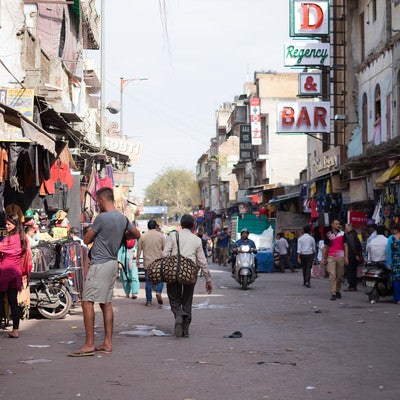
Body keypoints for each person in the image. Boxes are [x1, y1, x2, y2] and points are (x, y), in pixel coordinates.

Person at [69, 187, 140, 356]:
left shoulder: (102, 218)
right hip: (112, 263)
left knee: (87, 301)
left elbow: (86, 240)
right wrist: (122, 237)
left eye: (97, 202)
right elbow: (136, 234)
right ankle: (107, 343)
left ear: (101, 200)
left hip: (100, 264)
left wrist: (92, 233)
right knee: (106, 303)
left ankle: (89, 344)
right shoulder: (122, 219)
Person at [162, 214, 212, 337]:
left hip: (174, 271)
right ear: (193, 226)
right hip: (190, 273)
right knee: (187, 300)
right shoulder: (197, 240)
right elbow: (202, 261)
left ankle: (178, 314)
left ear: (181, 225)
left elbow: (164, 254)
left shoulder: (173, 236)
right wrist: (208, 279)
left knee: (174, 298)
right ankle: (185, 329)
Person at [0, 212, 32, 338]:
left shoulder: (9, 238)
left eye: (8, 224)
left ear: (14, 224)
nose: (6, 226)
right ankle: (15, 330)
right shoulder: (22, 237)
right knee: (13, 301)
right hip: (16, 273)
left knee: (1, 299)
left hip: (5, 272)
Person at [136, 219, 166, 306]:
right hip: (159, 263)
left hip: (148, 263)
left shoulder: (143, 236)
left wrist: (137, 260)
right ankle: (158, 292)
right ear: (156, 226)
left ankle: (149, 301)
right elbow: (165, 249)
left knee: (148, 282)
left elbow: (139, 250)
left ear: (148, 227)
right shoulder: (161, 236)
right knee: (160, 280)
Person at [321, 219, 348, 301]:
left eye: (338, 224)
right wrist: (323, 258)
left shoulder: (343, 234)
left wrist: (346, 257)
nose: (337, 225)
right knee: (332, 274)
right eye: (336, 224)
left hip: (340, 257)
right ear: (332, 225)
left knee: (340, 276)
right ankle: (333, 293)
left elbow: (346, 246)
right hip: (331, 257)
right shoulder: (328, 234)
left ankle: (337, 290)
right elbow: (325, 247)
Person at [344, 223, 363, 291]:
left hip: (351, 256)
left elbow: (352, 246)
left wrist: (356, 254)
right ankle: (353, 286)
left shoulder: (350, 235)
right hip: (353, 255)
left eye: (346, 228)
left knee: (350, 271)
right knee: (353, 271)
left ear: (349, 228)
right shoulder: (354, 234)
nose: (345, 230)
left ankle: (352, 286)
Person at [386, 224, 400, 304]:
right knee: (397, 281)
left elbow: (388, 252)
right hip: (395, 263)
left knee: (396, 280)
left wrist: (389, 263)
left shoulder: (391, 238)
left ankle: (397, 298)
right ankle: (397, 298)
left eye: (394, 229)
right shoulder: (391, 238)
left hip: (395, 262)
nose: (393, 230)